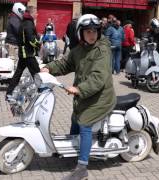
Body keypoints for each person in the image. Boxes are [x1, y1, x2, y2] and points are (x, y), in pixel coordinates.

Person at [41, 14, 116, 180]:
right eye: (88, 31)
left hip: (101, 97)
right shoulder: (80, 50)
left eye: (94, 31)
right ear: (80, 33)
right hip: (87, 95)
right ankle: (73, 151)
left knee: (84, 123)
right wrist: (48, 68)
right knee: (75, 117)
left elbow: (98, 78)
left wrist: (79, 89)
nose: (92, 34)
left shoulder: (102, 50)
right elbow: (66, 63)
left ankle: (82, 167)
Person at [6, 6, 41, 98]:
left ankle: (9, 93)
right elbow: (31, 39)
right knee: (37, 74)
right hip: (28, 54)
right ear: (32, 13)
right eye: (36, 12)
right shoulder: (29, 23)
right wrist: (38, 44)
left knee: (18, 74)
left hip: (23, 54)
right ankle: (42, 91)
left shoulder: (24, 22)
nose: (37, 14)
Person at [5, 2, 26, 67]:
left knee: (15, 64)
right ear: (18, 10)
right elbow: (19, 30)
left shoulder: (14, 18)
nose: (23, 13)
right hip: (13, 45)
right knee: (13, 65)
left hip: (13, 44)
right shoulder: (14, 19)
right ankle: (13, 77)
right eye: (22, 12)